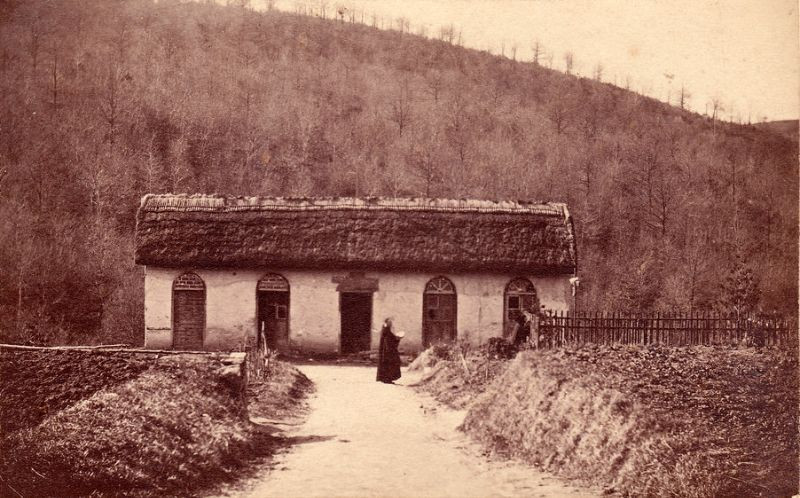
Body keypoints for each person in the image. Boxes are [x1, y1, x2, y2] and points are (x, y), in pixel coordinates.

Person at [376, 317, 404, 384]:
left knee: (389, 364)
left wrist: (396, 338)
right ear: (387, 323)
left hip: (387, 352)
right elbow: (389, 342)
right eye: (390, 322)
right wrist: (397, 339)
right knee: (390, 364)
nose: (391, 324)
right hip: (388, 352)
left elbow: (391, 339)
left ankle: (386, 379)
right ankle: (387, 379)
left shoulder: (386, 331)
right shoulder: (386, 331)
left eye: (391, 322)